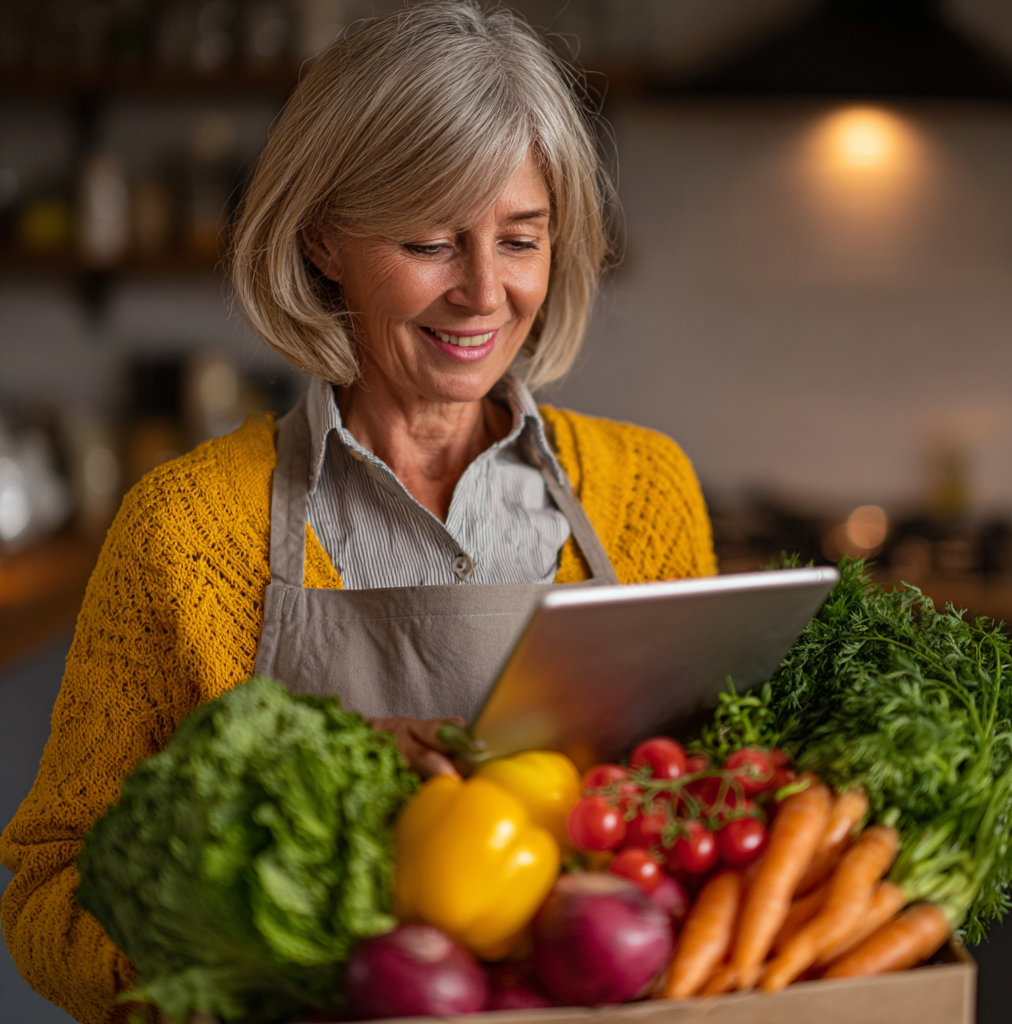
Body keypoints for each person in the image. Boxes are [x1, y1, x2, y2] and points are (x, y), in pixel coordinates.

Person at [0, 3, 716, 1021]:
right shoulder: (184, 525)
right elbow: (47, 892)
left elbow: (702, 831)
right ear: (322, 238)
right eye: (430, 242)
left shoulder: (645, 490)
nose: (483, 293)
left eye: (520, 239)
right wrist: (250, 951)